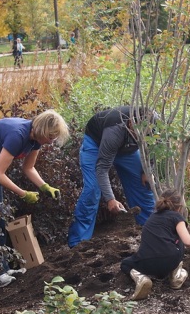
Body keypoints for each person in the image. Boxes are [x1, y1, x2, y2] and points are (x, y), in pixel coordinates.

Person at [0, 110, 70, 287]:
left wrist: (44, 186)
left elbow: (29, 168)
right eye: (50, 136)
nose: (52, 141)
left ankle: (4, 268)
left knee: (0, 216)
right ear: (42, 130)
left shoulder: (36, 140)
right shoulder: (17, 135)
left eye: (54, 137)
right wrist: (23, 193)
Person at [67, 106, 157, 248]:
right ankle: (78, 243)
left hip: (127, 150)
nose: (139, 136)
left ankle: (151, 230)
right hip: (96, 144)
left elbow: (155, 147)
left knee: (143, 184)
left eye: (143, 133)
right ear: (130, 123)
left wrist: (148, 170)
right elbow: (102, 169)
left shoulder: (155, 124)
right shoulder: (114, 130)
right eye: (136, 132)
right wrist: (110, 199)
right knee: (93, 190)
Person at [121, 189, 190, 300]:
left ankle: (141, 278)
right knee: (177, 239)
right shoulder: (176, 217)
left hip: (147, 263)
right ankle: (175, 276)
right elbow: (188, 241)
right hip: (170, 261)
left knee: (125, 264)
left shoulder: (152, 218)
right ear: (179, 207)